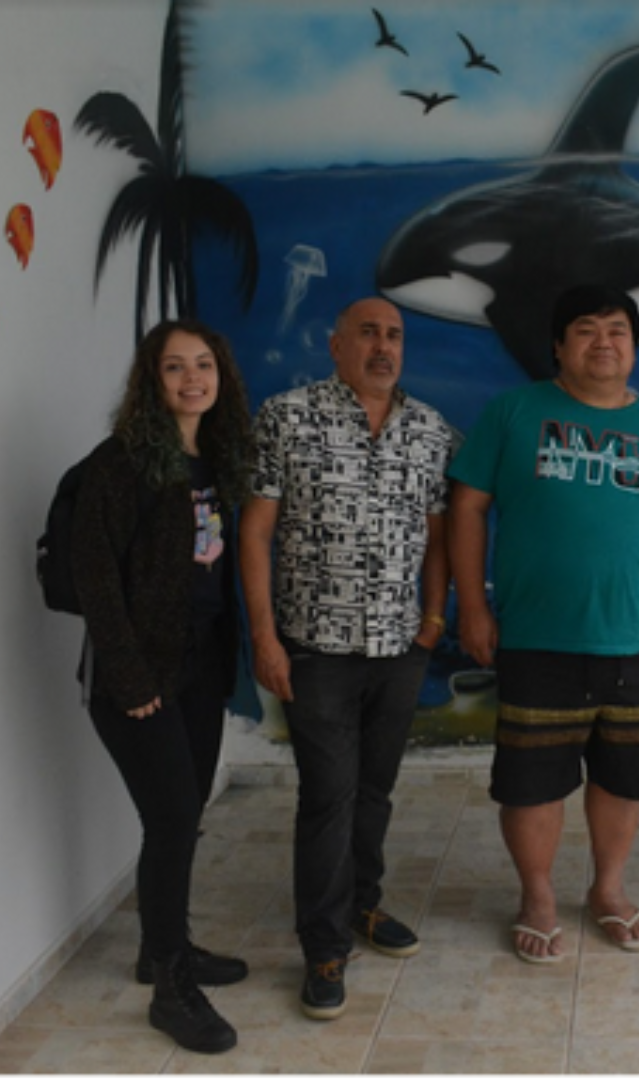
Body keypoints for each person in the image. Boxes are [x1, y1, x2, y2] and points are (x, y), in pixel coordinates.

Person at [448, 284, 639, 963]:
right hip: (537, 640)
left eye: (619, 330)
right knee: (531, 782)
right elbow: (468, 508)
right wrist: (473, 606)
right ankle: (537, 894)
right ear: (559, 347)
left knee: (623, 780)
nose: (605, 342)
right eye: (588, 330)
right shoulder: (514, 413)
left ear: (635, 345)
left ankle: (607, 889)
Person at [239, 297, 451, 1020]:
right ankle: (323, 945)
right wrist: (265, 638)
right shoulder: (286, 416)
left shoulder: (429, 430)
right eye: (368, 333)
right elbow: (255, 532)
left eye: (393, 335)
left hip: (399, 649)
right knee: (327, 796)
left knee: (375, 790)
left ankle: (363, 905)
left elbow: (438, 536)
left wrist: (430, 622)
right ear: (336, 345)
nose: (382, 346)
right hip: (315, 650)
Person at [70, 319, 254, 1055]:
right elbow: (94, 578)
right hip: (137, 676)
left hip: (200, 668)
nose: (191, 379)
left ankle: (161, 947)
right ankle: (173, 988)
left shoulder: (212, 459)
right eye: (174, 367)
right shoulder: (119, 465)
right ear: (151, 381)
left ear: (220, 376)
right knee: (175, 818)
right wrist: (127, 675)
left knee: (180, 817)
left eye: (203, 364)